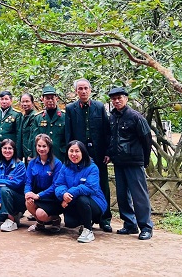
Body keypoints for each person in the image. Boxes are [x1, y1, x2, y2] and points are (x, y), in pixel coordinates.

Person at [65, 78, 112, 232]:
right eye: (80, 89)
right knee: (79, 183)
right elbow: (69, 133)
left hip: (98, 153)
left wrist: (107, 152)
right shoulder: (71, 109)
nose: (83, 91)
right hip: (78, 154)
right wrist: (70, 153)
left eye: (86, 88)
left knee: (103, 185)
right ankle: (84, 218)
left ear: (90, 90)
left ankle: (105, 219)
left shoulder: (99, 107)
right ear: (76, 91)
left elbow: (106, 131)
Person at [107, 86, 154, 240]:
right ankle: (129, 224)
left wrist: (144, 160)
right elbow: (112, 139)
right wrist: (110, 154)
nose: (116, 101)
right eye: (114, 99)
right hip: (119, 162)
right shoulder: (112, 117)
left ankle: (146, 227)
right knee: (122, 195)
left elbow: (147, 139)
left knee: (139, 195)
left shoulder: (135, 117)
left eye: (119, 98)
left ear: (126, 99)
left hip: (134, 162)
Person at [54, 140, 107, 243]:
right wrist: (63, 194)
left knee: (82, 199)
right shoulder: (65, 166)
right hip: (73, 201)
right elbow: (59, 184)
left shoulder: (92, 168)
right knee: (70, 223)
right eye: (71, 151)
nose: (74, 154)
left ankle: (88, 230)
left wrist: (70, 193)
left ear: (83, 152)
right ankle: (84, 222)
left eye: (77, 151)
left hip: (94, 202)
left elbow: (91, 188)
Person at [24, 134, 63, 232]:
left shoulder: (57, 163)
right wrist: (28, 193)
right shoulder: (32, 163)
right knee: (28, 202)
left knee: (41, 214)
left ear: (49, 147)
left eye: (44, 146)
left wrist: (38, 195)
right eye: (39, 146)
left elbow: (55, 185)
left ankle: (55, 219)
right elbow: (28, 182)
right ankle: (40, 223)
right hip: (37, 195)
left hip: (52, 197)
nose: (41, 149)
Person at [0, 139, 26, 231]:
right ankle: (15, 216)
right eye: (4, 148)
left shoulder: (20, 165)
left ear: (14, 150)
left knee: (4, 189)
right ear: (1, 150)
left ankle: (11, 220)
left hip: (19, 199)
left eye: (10, 148)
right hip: (5, 199)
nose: (7, 151)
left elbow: (16, 183)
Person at [31, 85, 66, 160]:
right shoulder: (38, 118)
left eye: (52, 98)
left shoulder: (65, 116)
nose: (50, 100)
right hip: (43, 155)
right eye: (47, 98)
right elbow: (34, 139)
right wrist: (34, 156)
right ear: (42, 99)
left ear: (56, 98)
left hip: (60, 155)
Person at [0, 91, 22, 161]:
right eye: (2, 99)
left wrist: (18, 153)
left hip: (11, 150)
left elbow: (19, 135)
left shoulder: (16, 114)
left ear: (11, 100)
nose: (4, 101)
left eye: (6, 99)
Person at [19, 92, 38, 162]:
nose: (25, 104)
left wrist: (31, 154)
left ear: (32, 103)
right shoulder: (24, 116)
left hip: (31, 152)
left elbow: (33, 136)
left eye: (27, 101)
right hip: (25, 151)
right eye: (23, 102)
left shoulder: (34, 116)